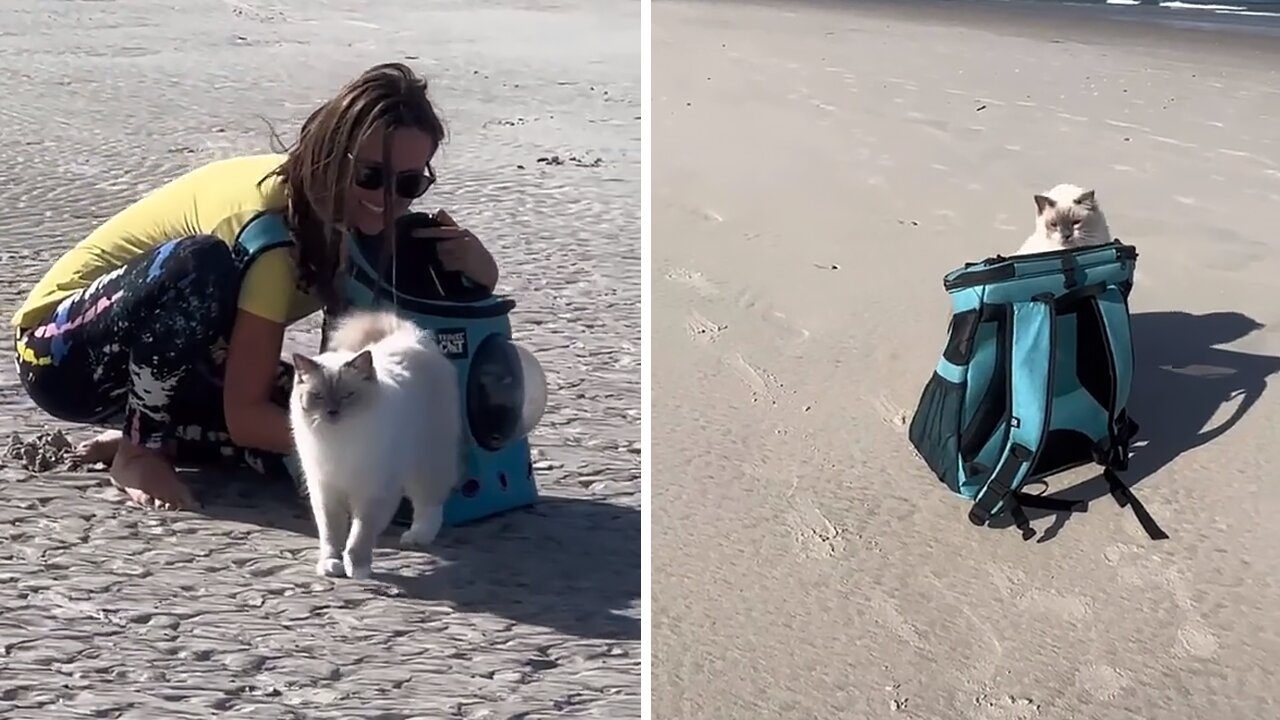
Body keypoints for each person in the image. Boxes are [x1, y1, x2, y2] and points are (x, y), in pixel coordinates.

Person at [10, 62, 499, 511]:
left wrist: (481, 270)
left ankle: (163, 433)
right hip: (62, 353)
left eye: (409, 184)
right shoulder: (273, 232)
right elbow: (245, 418)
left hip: (178, 363)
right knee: (203, 267)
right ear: (330, 157)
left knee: (316, 426)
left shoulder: (354, 221)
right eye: (371, 177)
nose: (387, 200)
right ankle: (141, 449)